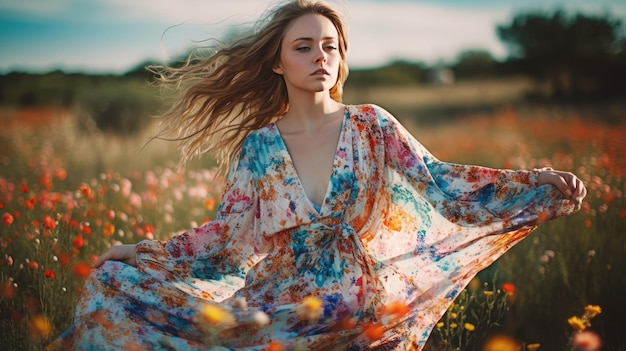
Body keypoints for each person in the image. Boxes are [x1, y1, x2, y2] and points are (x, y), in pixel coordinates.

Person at [48, 0, 586, 350]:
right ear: (278, 63)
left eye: (330, 45)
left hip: (353, 302)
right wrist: (142, 254)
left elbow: (445, 185)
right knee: (118, 286)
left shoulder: (373, 126)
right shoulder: (258, 147)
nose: (320, 56)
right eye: (303, 46)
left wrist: (535, 180)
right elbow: (226, 239)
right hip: (278, 299)